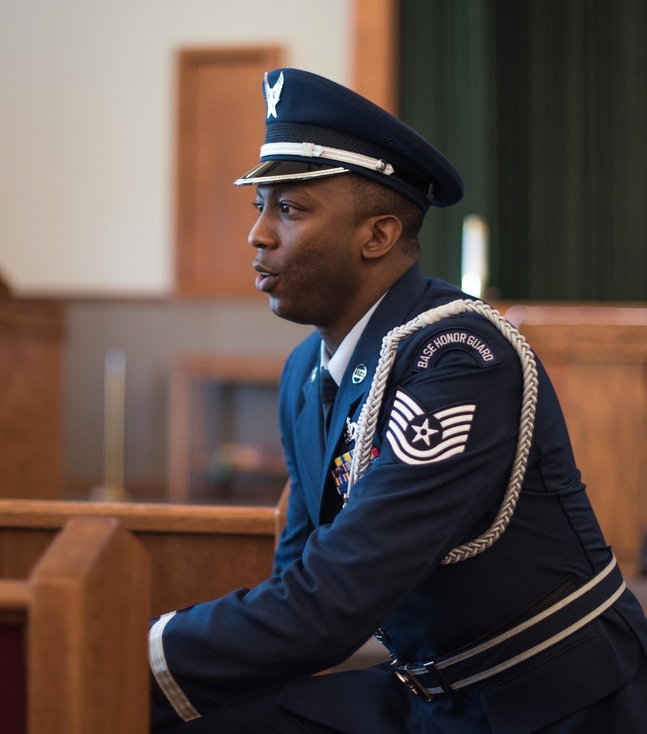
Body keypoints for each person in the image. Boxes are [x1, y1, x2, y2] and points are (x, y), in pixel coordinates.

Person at [149, 69, 647, 733]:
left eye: (289, 209)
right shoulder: (307, 372)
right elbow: (301, 576)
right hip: (433, 690)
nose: (258, 235)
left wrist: (144, 650)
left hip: (548, 700)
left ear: (377, 236)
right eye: (259, 206)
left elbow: (334, 602)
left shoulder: (461, 358)